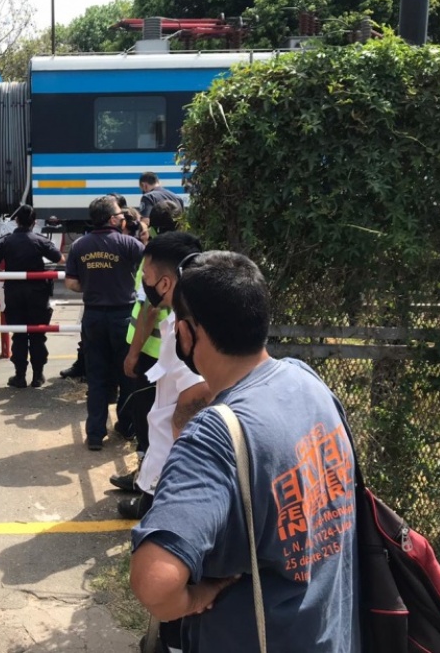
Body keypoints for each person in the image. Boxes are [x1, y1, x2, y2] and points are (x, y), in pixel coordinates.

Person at [130, 251, 359, 653]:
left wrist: (197, 598)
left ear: (186, 334)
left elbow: (156, 582)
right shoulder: (307, 383)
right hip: (329, 636)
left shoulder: (215, 435)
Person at [65, 195, 145, 450]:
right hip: (124, 316)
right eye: (121, 216)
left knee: (97, 377)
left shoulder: (79, 246)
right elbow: (149, 273)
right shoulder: (129, 244)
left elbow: (71, 283)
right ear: (112, 219)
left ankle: (95, 434)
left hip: (93, 317)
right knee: (128, 374)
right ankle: (126, 425)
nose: (123, 219)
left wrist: (92, 285)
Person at [111, 209, 182, 491]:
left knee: (148, 417)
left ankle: (146, 478)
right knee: (168, 415)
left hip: (151, 353)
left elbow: (149, 310)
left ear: (152, 227)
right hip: (176, 351)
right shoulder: (185, 254)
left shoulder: (153, 260)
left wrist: (133, 353)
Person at [0, 204, 63, 388]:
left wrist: (2, 277)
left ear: (16, 221)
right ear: (34, 222)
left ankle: (19, 376)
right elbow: (60, 259)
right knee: (38, 335)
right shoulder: (40, 240)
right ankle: (38, 376)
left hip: (14, 294)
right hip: (38, 294)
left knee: (19, 336)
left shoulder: (6, 241)